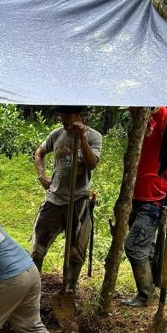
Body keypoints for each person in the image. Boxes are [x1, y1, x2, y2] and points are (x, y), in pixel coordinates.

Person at [31, 106, 103, 290]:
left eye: (68, 115)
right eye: (62, 116)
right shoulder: (56, 134)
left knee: (75, 252)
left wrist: (81, 138)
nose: (64, 120)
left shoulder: (94, 137)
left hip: (77, 200)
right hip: (54, 199)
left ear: (80, 116)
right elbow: (39, 153)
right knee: (37, 249)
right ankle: (32, 287)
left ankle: (69, 289)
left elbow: (91, 164)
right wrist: (42, 175)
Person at [122, 106, 167, 307]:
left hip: (153, 197)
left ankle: (145, 294)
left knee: (134, 246)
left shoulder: (161, 117)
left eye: (133, 108)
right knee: (145, 247)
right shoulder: (138, 125)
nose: (131, 112)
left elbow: (166, 114)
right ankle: (148, 289)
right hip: (136, 194)